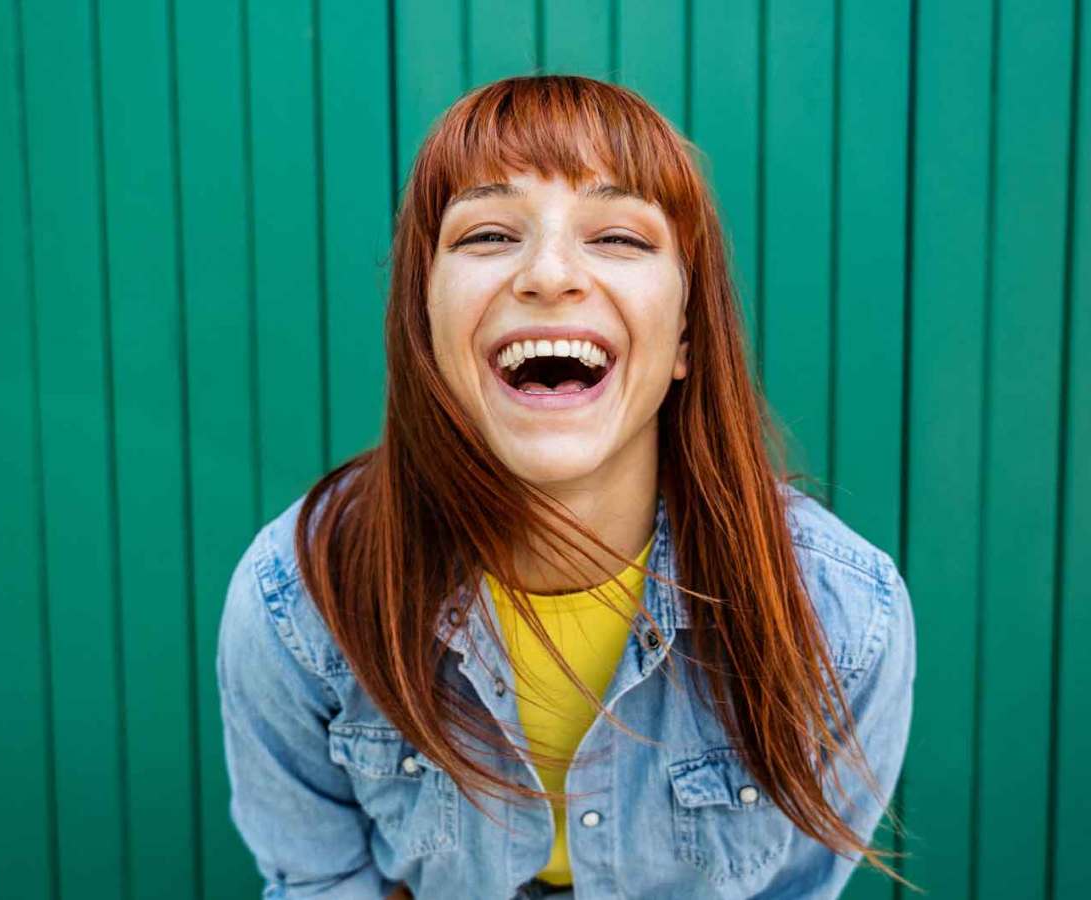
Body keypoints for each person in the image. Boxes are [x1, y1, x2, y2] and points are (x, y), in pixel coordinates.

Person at [216, 74, 918, 900]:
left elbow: (794, 890)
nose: (549, 274)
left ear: (686, 333)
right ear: (425, 325)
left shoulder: (843, 616)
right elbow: (318, 878)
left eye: (618, 236)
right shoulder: (298, 598)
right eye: (486, 236)